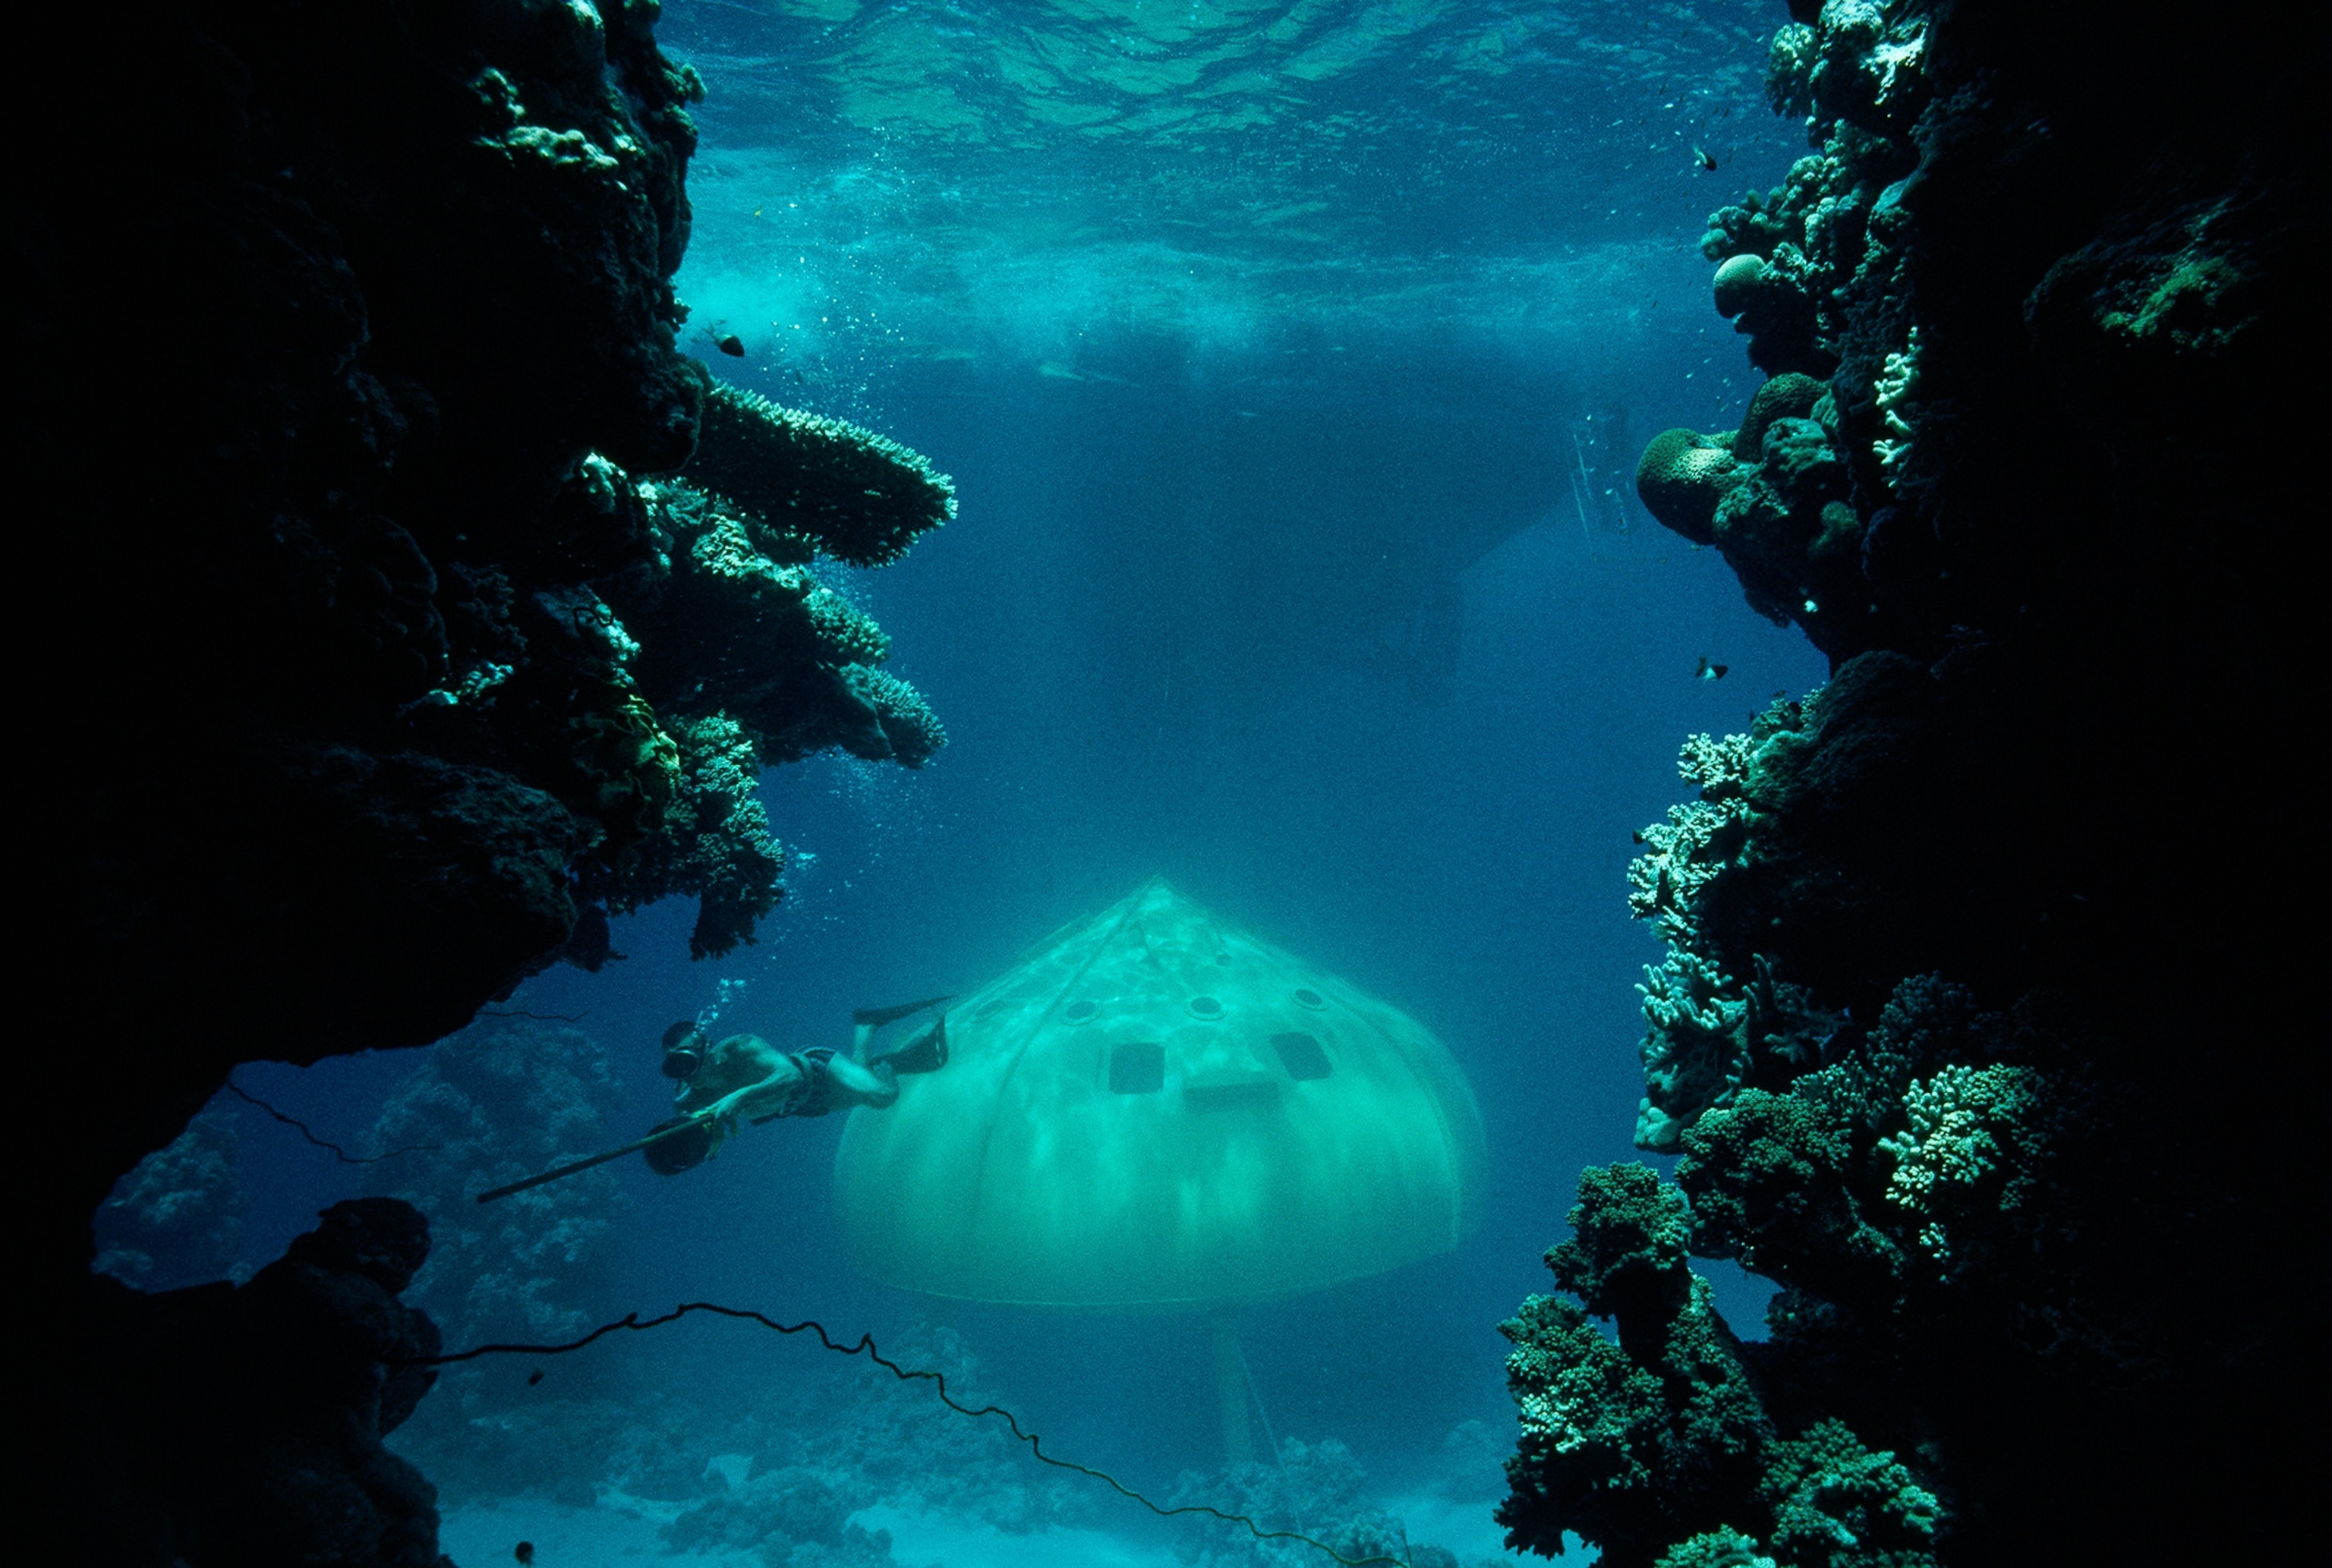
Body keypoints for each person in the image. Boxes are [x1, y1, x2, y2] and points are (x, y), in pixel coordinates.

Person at [644, 1012, 938, 1176]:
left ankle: (884, 1070)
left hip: (817, 1068)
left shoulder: (742, 1048)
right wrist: (701, 1149)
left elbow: (790, 1075)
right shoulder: (691, 1097)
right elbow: (699, 1134)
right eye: (675, 1068)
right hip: (803, 1104)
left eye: (687, 1061)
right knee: (866, 1100)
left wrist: (738, 1097)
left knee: (884, 1096)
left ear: (704, 1048)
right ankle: (865, 1028)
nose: (688, 1074)